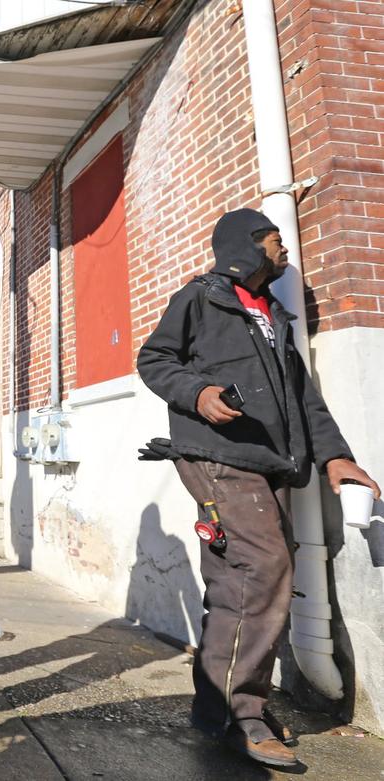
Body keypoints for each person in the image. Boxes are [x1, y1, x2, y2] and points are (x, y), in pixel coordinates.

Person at [137, 208, 379, 768]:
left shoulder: (272, 314)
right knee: (263, 570)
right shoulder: (200, 297)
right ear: (244, 247)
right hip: (218, 458)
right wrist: (198, 394)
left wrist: (336, 457)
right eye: (275, 241)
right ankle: (241, 710)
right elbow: (154, 360)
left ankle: (220, 707)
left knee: (239, 580)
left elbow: (303, 398)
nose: (285, 251)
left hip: (270, 462)